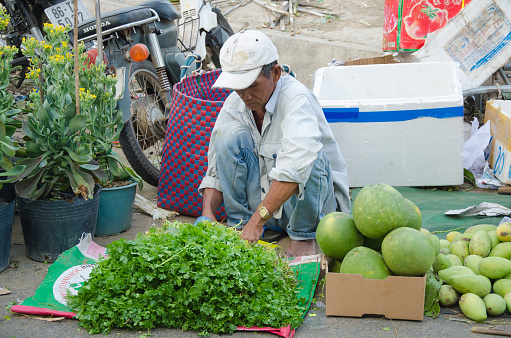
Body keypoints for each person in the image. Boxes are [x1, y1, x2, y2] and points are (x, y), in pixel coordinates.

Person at [197, 30, 350, 257]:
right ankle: (240, 226)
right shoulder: (235, 103)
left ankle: (303, 236)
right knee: (227, 135)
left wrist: (257, 221)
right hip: (263, 209)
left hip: (307, 208)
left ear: (276, 73)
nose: (245, 95)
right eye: (238, 87)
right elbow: (217, 166)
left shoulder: (297, 99)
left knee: (309, 157)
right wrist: (207, 213)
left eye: (253, 85)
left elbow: (295, 167)